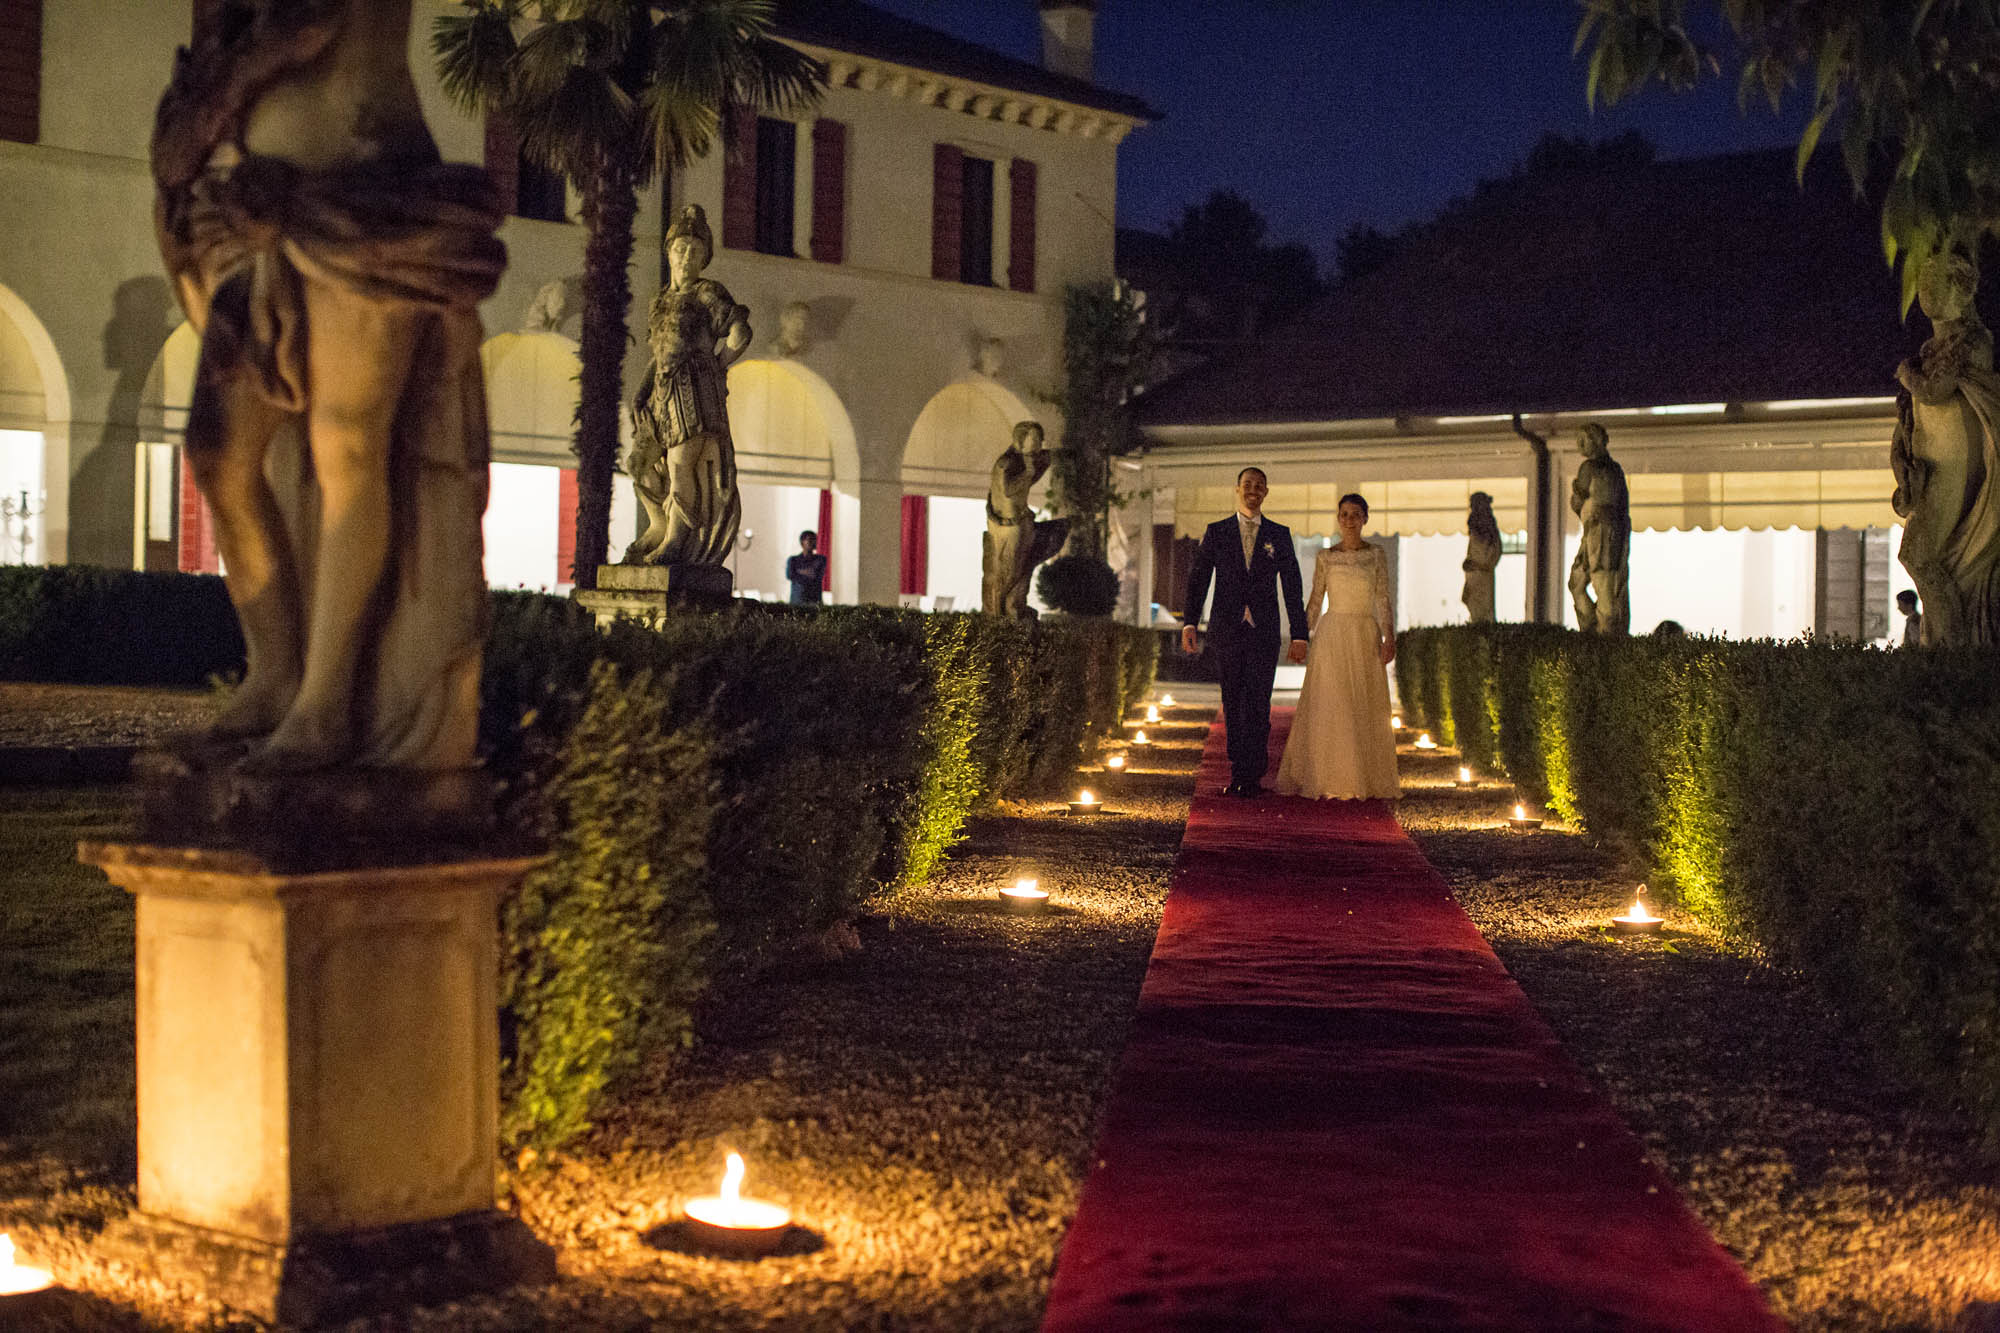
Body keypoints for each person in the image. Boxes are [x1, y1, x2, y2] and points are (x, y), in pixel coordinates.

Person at [626, 204, 751, 566]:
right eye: (681, 249)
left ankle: (676, 542)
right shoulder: (660, 301)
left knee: (681, 466)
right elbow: (660, 353)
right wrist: (644, 388)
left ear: (704, 259)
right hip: (660, 394)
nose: (687, 256)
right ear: (669, 252)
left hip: (693, 394)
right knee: (642, 464)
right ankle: (658, 524)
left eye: (696, 251)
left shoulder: (709, 293)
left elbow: (740, 333)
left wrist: (716, 365)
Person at [1180, 467, 1309, 797]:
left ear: (1266, 492)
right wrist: (1190, 622)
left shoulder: (1279, 535)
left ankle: (1254, 774)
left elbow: (1292, 585)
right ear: (1237, 489)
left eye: (1259, 486)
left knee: (1259, 703)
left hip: (1264, 630)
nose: (1253, 490)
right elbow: (1199, 579)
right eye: (1247, 484)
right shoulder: (1218, 531)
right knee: (1233, 700)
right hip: (1227, 628)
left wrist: (1299, 634)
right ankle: (1238, 769)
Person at [1273, 494, 1399, 801]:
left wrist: (1389, 636)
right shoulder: (1326, 556)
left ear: (1365, 518)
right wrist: (1301, 637)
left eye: (1355, 514)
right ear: (1338, 518)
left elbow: (1383, 598)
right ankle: (1329, 774)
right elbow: (1316, 599)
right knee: (1334, 703)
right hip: (1332, 635)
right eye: (1344, 514)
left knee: (1361, 704)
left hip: (1363, 633)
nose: (1349, 519)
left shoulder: (1376, 555)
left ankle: (1361, 777)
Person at [786, 530, 827, 605]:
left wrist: (799, 572)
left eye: (814, 540)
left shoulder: (821, 559)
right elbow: (790, 575)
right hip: (798, 600)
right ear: (802, 542)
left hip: (814, 600)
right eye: (809, 540)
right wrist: (808, 573)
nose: (812, 543)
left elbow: (817, 576)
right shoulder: (793, 560)